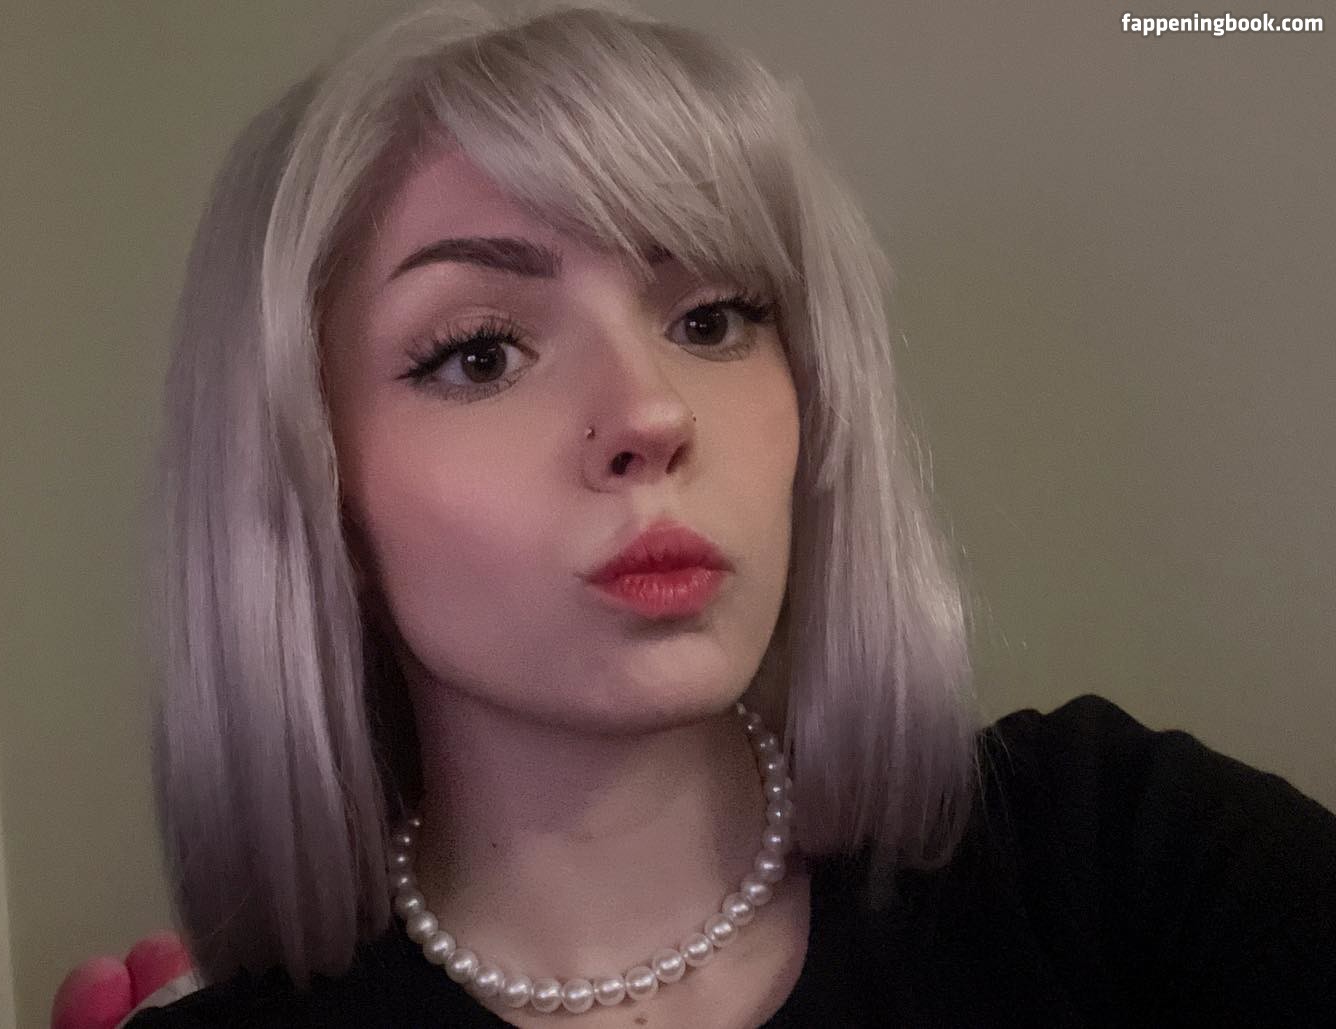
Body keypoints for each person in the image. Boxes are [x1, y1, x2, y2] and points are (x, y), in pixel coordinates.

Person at [70, 1, 1335, 1025]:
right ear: (314, 483)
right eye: (480, 355)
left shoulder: (1117, 857)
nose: (651, 412)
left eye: (712, 319)